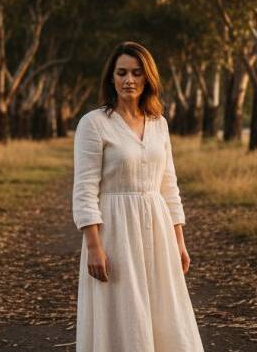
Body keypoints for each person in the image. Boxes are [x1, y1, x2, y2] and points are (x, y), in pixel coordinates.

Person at [72, 41, 205, 352]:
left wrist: (179, 240)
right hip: (115, 230)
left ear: (148, 78)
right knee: (123, 309)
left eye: (136, 73)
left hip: (158, 228)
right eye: (121, 73)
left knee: (165, 309)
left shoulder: (159, 124)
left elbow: (169, 186)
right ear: (111, 78)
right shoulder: (94, 124)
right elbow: (84, 189)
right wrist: (94, 247)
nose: (128, 80)